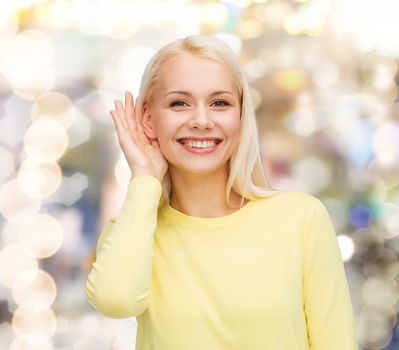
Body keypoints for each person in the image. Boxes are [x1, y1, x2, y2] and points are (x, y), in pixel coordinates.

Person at [85, 34, 357, 350]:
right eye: (179, 103)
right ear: (148, 118)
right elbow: (115, 301)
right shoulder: (135, 230)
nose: (201, 121)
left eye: (220, 103)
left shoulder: (300, 218)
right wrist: (145, 177)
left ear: (240, 116)